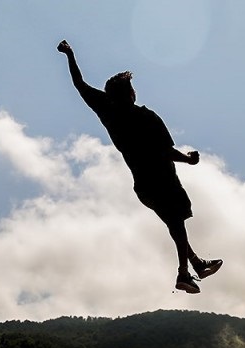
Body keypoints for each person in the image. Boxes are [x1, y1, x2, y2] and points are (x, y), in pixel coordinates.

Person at [57, 40, 222, 294]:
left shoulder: (108, 111)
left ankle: (197, 264)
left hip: (143, 186)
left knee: (174, 224)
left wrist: (70, 55)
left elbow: (79, 84)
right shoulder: (147, 117)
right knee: (177, 223)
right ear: (130, 94)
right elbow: (166, 151)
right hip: (164, 181)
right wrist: (188, 160)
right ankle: (184, 273)